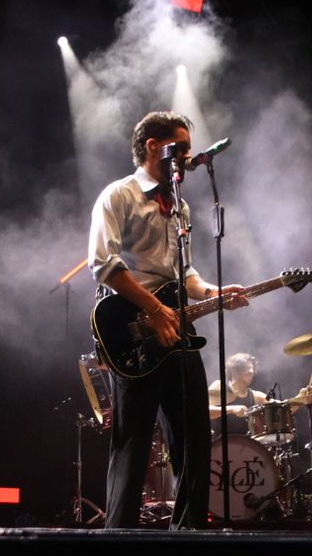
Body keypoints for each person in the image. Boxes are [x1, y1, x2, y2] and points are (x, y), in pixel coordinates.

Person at [88, 111, 248, 529]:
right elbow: (103, 264)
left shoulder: (180, 206)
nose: (188, 157)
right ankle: (118, 538)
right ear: (152, 147)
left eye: (189, 149)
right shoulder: (119, 195)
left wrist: (214, 293)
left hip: (176, 325)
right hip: (134, 328)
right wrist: (155, 310)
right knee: (134, 442)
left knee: (194, 436)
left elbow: (185, 273)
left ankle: (189, 534)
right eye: (180, 148)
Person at [207, 352, 266, 437]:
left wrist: (287, 404)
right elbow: (204, 411)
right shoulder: (220, 386)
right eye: (247, 368)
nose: (251, 371)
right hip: (221, 442)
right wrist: (231, 409)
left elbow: (277, 405)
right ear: (234, 371)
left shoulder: (255, 396)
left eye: (252, 368)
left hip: (246, 443)